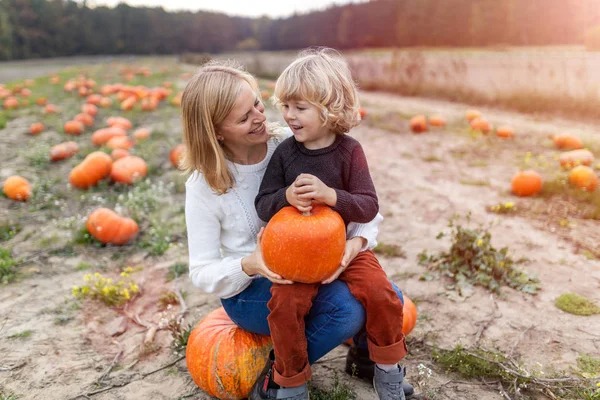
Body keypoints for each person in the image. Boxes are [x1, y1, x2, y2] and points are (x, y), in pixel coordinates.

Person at [181, 58, 414, 400]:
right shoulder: (204, 185)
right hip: (254, 285)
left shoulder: (294, 143)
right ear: (216, 130)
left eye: (258, 104)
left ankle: (368, 362)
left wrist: (358, 240)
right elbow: (201, 273)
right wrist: (251, 263)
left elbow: (365, 203)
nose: (261, 117)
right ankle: (279, 380)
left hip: (316, 259)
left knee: (386, 293)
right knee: (346, 311)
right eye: (244, 117)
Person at [253, 48, 408, 400]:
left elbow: (368, 206)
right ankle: (291, 385)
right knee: (284, 307)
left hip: (346, 247)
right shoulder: (285, 154)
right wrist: (286, 197)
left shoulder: (350, 151)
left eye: (300, 107)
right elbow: (263, 204)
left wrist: (331, 195)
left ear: (330, 109)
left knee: (383, 294)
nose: (289, 116)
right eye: (286, 105)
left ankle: (387, 371)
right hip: (296, 255)